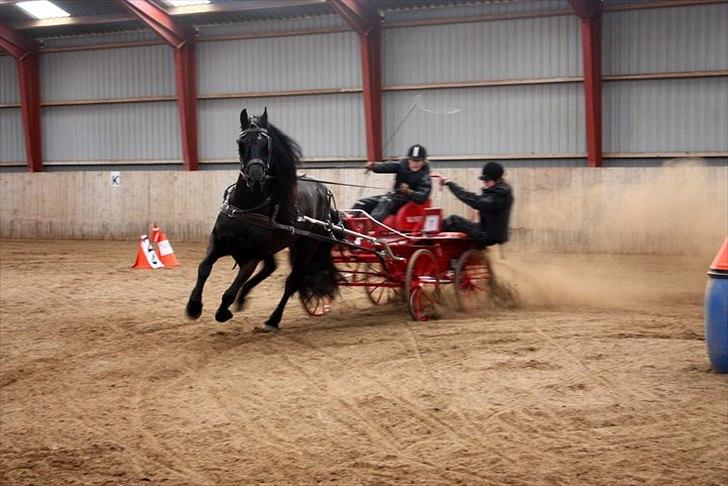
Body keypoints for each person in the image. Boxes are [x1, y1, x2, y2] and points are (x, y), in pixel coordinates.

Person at [431, 161, 513, 246]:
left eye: (487, 180)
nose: (484, 183)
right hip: (491, 233)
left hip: (487, 235)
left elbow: (474, 200)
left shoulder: (497, 196)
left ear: (496, 180)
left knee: (453, 220)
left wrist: (450, 184)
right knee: (456, 224)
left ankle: (434, 244)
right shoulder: (502, 192)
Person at [351, 144, 432, 222]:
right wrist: (374, 166)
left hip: (409, 200)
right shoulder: (402, 164)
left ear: (423, 162)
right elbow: (389, 166)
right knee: (362, 202)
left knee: (387, 200)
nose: (415, 163)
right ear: (408, 159)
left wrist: (409, 192)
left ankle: (372, 223)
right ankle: (346, 221)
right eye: (412, 160)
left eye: (418, 161)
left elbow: (423, 197)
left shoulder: (425, 175)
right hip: (393, 196)